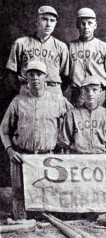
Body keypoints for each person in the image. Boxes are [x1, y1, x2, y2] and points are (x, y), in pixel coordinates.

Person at [0, 61, 72, 220]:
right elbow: (4, 130)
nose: (35, 78)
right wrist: (10, 150)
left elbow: (75, 120)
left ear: (46, 77)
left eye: (39, 74)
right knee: (20, 207)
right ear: (25, 78)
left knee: (49, 208)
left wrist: (66, 144)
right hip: (22, 158)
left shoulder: (58, 100)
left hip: (48, 158)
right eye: (31, 74)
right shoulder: (18, 101)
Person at [6, 6, 69, 95]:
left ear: (55, 23)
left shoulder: (61, 46)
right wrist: (22, 92)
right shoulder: (21, 43)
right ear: (36, 20)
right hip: (27, 91)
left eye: (52, 20)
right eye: (44, 19)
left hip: (52, 90)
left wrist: (55, 94)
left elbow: (65, 77)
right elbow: (11, 73)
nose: (48, 24)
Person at [59, 75, 106, 154]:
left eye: (94, 90)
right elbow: (64, 144)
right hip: (78, 158)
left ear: (100, 91)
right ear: (81, 92)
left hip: (101, 158)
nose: (90, 94)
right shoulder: (72, 114)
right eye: (86, 90)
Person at [68, 8, 106, 107]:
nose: (86, 27)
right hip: (78, 94)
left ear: (95, 25)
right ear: (77, 25)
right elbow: (64, 74)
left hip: (99, 95)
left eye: (90, 23)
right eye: (82, 23)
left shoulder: (105, 47)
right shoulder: (69, 47)